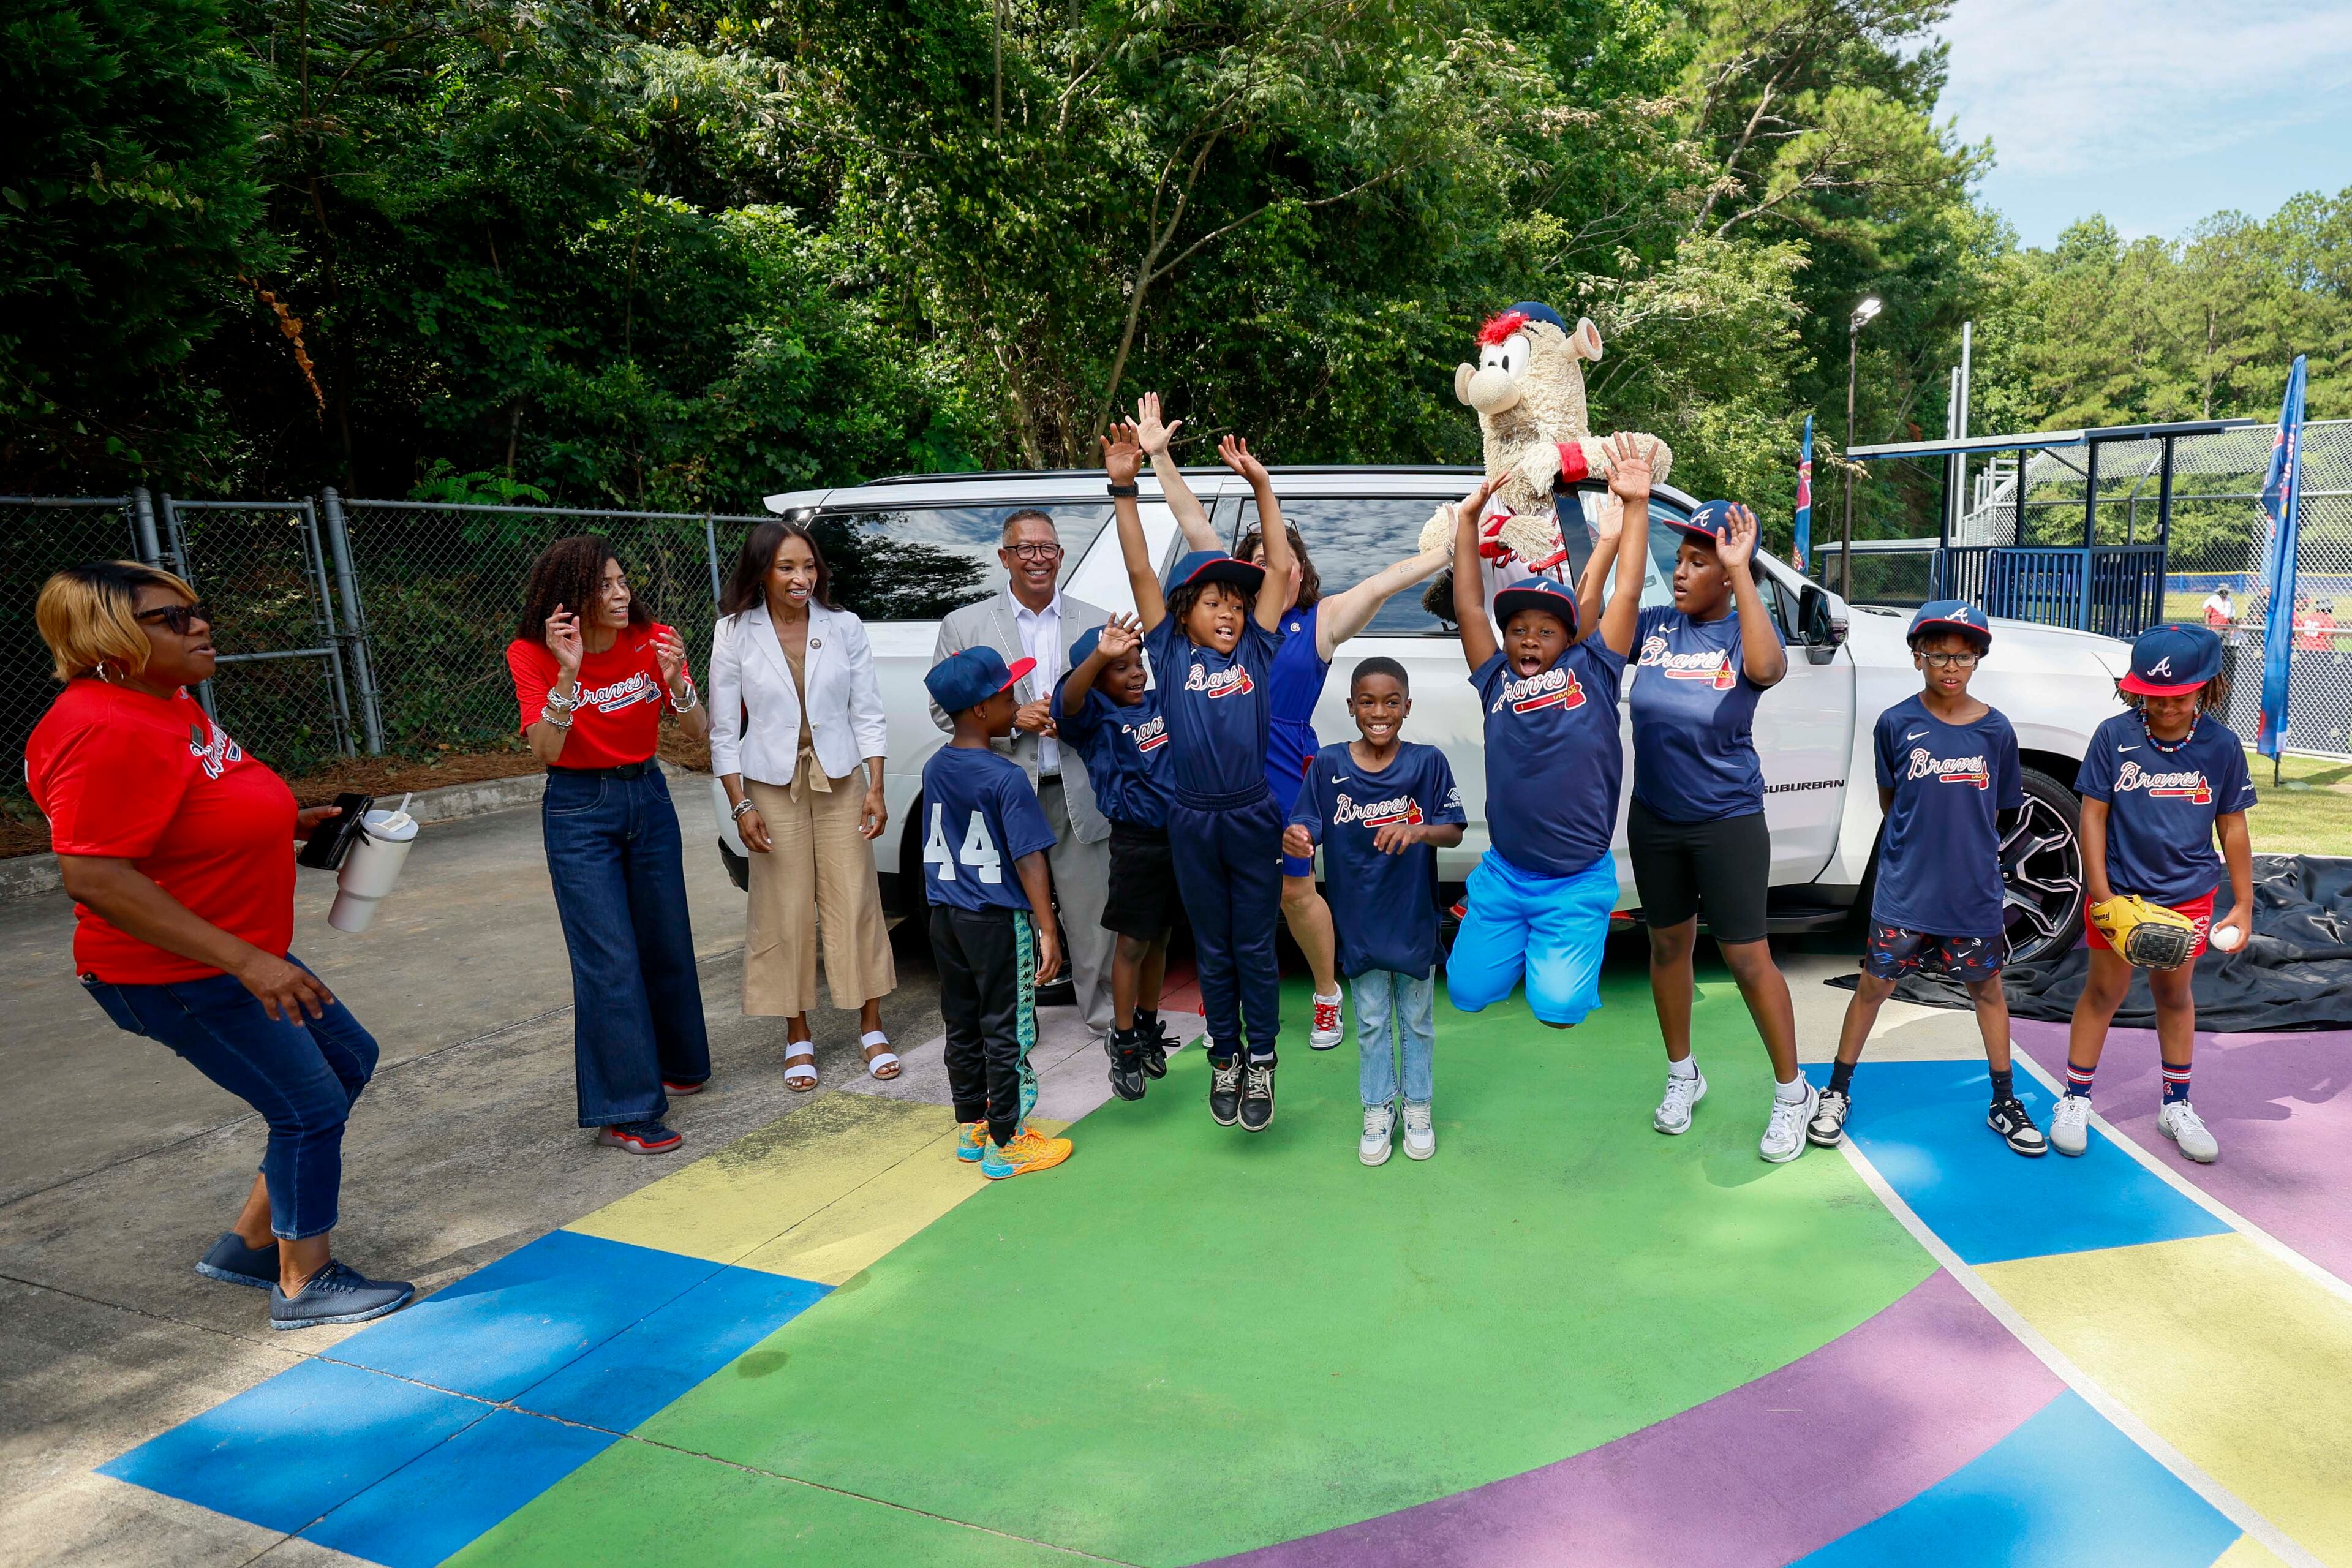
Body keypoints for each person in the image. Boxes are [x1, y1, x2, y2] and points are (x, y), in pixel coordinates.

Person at [28, 562, 413, 1329]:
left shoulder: (170, 703)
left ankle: (249, 1244)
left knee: (348, 1060)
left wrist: (284, 820)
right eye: (171, 619)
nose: (199, 626)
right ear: (108, 641)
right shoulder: (104, 725)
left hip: (239, 954)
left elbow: (190, 809)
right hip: (180, 972)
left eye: (196, 611)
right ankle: (305, 1282)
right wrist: (244, 961)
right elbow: (96, 875)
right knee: (307, 1107)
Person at [1136, 393, 1450, 1052]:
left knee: (1294, 891)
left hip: (1283, 774)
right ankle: (1235, 1011)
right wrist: (1159, 455)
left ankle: (1327, 992)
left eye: (1285, 560)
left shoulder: (1313, 624)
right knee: (1226, 903)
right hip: (1215, 778)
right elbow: (1195, 523)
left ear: (1299, 569)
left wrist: (1454, 548)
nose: (1275, 568)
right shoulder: (1228, 628)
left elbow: (1390, 579)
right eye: (1253, 562)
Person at [1105, 422, 1298, 1131]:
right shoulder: (1165, 645)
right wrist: (1126, 486)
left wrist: (1263, 487)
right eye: (1215, 601)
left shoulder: (1258, 647)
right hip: (1190, 817)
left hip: (1251, 816)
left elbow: (1276, 571)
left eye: (1237, 604)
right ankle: (1225, 1054)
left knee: (1254, 946)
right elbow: (1138, 574)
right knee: (1212, 948)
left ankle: (1264, 1065)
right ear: (1186, 613)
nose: (1230, 610)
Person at [1808, 601, 2046, 1157]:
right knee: (1873, 987)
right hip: (1906, 891)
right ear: (1917, 657)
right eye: (1937, 654)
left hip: (1973, 894)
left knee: (1987, 990)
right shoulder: (1896, 723)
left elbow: (2001, 808)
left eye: (1963, 656)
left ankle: (2003, 1101)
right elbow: (1896, 804)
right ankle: (1837, 1091)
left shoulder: (1996, 731)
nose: (1950, 667)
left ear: (1979, 659)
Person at [508, 535, 710, 1155]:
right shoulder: (532, 653)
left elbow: (700, 737)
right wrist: (567, 673)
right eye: (605, 586)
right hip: (578, 807)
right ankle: (626, 1109)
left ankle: (678, 1063)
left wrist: (678, 683)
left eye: (623, 581)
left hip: (647, 794)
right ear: (569, 599)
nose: (622, 594)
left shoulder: (654, 639)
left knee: (666, 939)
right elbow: (545, 749)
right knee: (610, 958)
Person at [1625, 500, 1813, 1163]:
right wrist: (1629, 509)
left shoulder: (1743, 634)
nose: (1680, 571)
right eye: (1680, 558)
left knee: (1744, 959)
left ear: (1732, 571)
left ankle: (1793, 1094)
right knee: (1668, 948)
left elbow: (1767, 671)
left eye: (1697, 560)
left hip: (1726, 821)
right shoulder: (1653, 628)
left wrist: (1739, 572)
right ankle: (1684, 1075)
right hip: (1654, 818)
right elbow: (1601, 625)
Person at [1443, 436, 1648, 1030]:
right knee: (1466, 991)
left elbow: (1627, 592)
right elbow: (1471, 609)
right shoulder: (1494, 679)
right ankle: (1513, 938)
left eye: (1548, 630)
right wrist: (1467, 521)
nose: (1530, 638)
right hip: (1506, 873)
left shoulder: (1595, 667)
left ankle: (1557, 953)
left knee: (1558, 1006)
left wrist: (1633, 508)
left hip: (1575, 882)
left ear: (1572, 637)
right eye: (1521, 629)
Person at [2054, 624, 2256, 1164]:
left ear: (2208, 687)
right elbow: (2092, 815)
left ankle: (2177, 1105)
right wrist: (2099, 894)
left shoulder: (2221, 746)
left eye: (2180, 696)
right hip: (2121, 891)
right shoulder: (2113, 736)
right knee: (2103, 993)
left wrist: (2242, 902)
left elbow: (2232, 826)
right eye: (2153, 696)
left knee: (2174, 996)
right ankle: (2074, 1099)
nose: (2166, 708)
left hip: (2187, 894)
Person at [710, 521, 897, 1090]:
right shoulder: (734, 632)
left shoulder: (844, 626)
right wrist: (740, 805)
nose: (801, 578)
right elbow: (722, 730)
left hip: (840, 779)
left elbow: (868, 711)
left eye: (809, 566)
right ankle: (797, 1033)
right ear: (762, 571)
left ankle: (871, 1024)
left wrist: (876, 785)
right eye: (787, 567)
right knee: (783, 908)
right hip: (770, 785)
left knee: (856, 898)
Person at [930, 512, 1115, 1039]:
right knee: (1010, 915)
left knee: (1092, 915)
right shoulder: (964, 625)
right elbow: (944, 712)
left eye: (1048, 548)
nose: (1037, 557)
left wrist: (1076, 714)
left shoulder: (1094, 621)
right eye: (1024, 548)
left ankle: (1105, 1023)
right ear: (1004, 558)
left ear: (1061, 555)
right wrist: (1013, 719)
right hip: (1002, 793)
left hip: (1079, 789)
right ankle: (1017, 1025)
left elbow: (1122, 697)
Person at [1283, 658, 1464, 1165]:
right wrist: (1295, 836)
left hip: (1412, 916)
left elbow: (1453, 828)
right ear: (1351, 707)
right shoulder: (1328, 766)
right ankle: (1378, 1107)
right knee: (1370, 1019)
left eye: (1391, 702)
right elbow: (1307, 827)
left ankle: (1420, 1105)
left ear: (1407, 707)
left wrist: (1417, 830)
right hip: (1358, 920)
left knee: (1418, 1019)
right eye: (1368, 701)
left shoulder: (1427, 763)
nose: (1379, 712)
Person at [922, 647, 1074, 1180]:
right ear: (981, 711)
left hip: (946, 916)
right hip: (995, 919)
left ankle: (972, 1126)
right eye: (1007, 695)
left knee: (961, 1022)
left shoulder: (936, 766)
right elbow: (1030, 860)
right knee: (1008, 1027)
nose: (1017, 702)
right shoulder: (1006, 777)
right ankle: (1007, 1139)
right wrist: (1047, 929)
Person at [1053, 613, 1182, 1101]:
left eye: (1136, 662)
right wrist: (1097, 658)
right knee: (1130, 944)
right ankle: (1123, 1039)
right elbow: (1067, 703)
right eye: (1119, 667)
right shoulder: (1092, 719)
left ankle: (1147, 1025)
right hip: (1135, 842)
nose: (1135, 674)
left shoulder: (1158, 703)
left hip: (1179, 839)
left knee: (1160, 936)